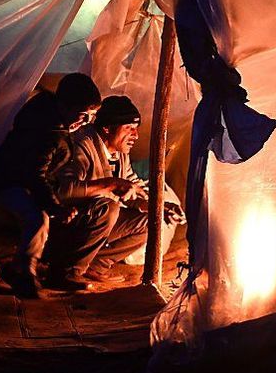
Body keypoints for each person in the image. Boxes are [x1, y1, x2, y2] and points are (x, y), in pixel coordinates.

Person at [47, 95, 184, 290]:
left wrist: (160, 207)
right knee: (108, 207)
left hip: (96, 223)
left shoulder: (120, 153)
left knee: (152, 221)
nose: (135, 135)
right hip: (64, 225)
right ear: (107, 128)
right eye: (129, 128)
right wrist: (109, 184)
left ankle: (95, 265)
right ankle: (67, 271)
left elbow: (133, 188)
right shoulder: (82, 145)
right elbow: (62, 191)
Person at [0, 73, 102, 298]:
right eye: (82, 115)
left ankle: (33, 266)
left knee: (49, 216)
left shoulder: (57, 125)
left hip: (28, 182)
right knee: (37, 217)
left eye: (91, 117)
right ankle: (23, 272)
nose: (85, 122)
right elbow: (34, 175)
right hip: (9, 181)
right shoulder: (44, 131)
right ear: (64, 106)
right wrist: (55, 206)